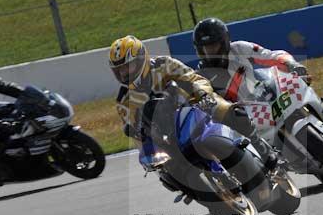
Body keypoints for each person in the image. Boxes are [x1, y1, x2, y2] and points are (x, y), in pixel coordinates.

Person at [108, 35, 277, 169]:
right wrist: (147, 152)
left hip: (195, 106)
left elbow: (193, 78)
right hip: (168, 134)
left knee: (230, 111)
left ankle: (262, 149)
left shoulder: (164, 65)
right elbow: (135, 133)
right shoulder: (124, 100)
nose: (124, 73)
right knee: (164, 169)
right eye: (119, 70)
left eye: (127, 67)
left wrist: (204, 95)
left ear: (140, 59)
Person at [192, 17, 323, 142]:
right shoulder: (202, 76)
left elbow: (269, 56)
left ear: (224, 41)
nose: (210, 51)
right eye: (206, 48)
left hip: (265, 94)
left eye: (213, 46)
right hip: (245, 118)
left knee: (298, 82)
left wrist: (291, 64)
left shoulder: (240, 48)